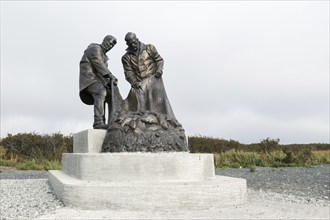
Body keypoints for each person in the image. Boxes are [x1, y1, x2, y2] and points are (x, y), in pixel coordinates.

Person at [121, 32, 177, 120]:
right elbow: (128, 72)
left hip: (154, 79)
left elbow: (159, 60)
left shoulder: (149, 48)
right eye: (130, 43)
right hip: (139, 84)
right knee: (136, 105)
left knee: (157, 105)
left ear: (137, 39)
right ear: (127, 44)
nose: (133, 45)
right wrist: (133, 82)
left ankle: (163, 119)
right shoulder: (126, 57)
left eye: (134, 42)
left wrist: (159, 70)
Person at [79, 35, 118, 129]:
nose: (109, 46)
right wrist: (110, 75)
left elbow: (102, 72)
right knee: (100, 91)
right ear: (104, 41)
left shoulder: (105, 57)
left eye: (111, 46)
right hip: (89, 80)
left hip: (98, 81)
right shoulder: (95, 49)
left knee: (111, 95)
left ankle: (111, 121)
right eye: (109, 43)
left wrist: (109, 82)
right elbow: (97, 63)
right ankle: (98, 122)